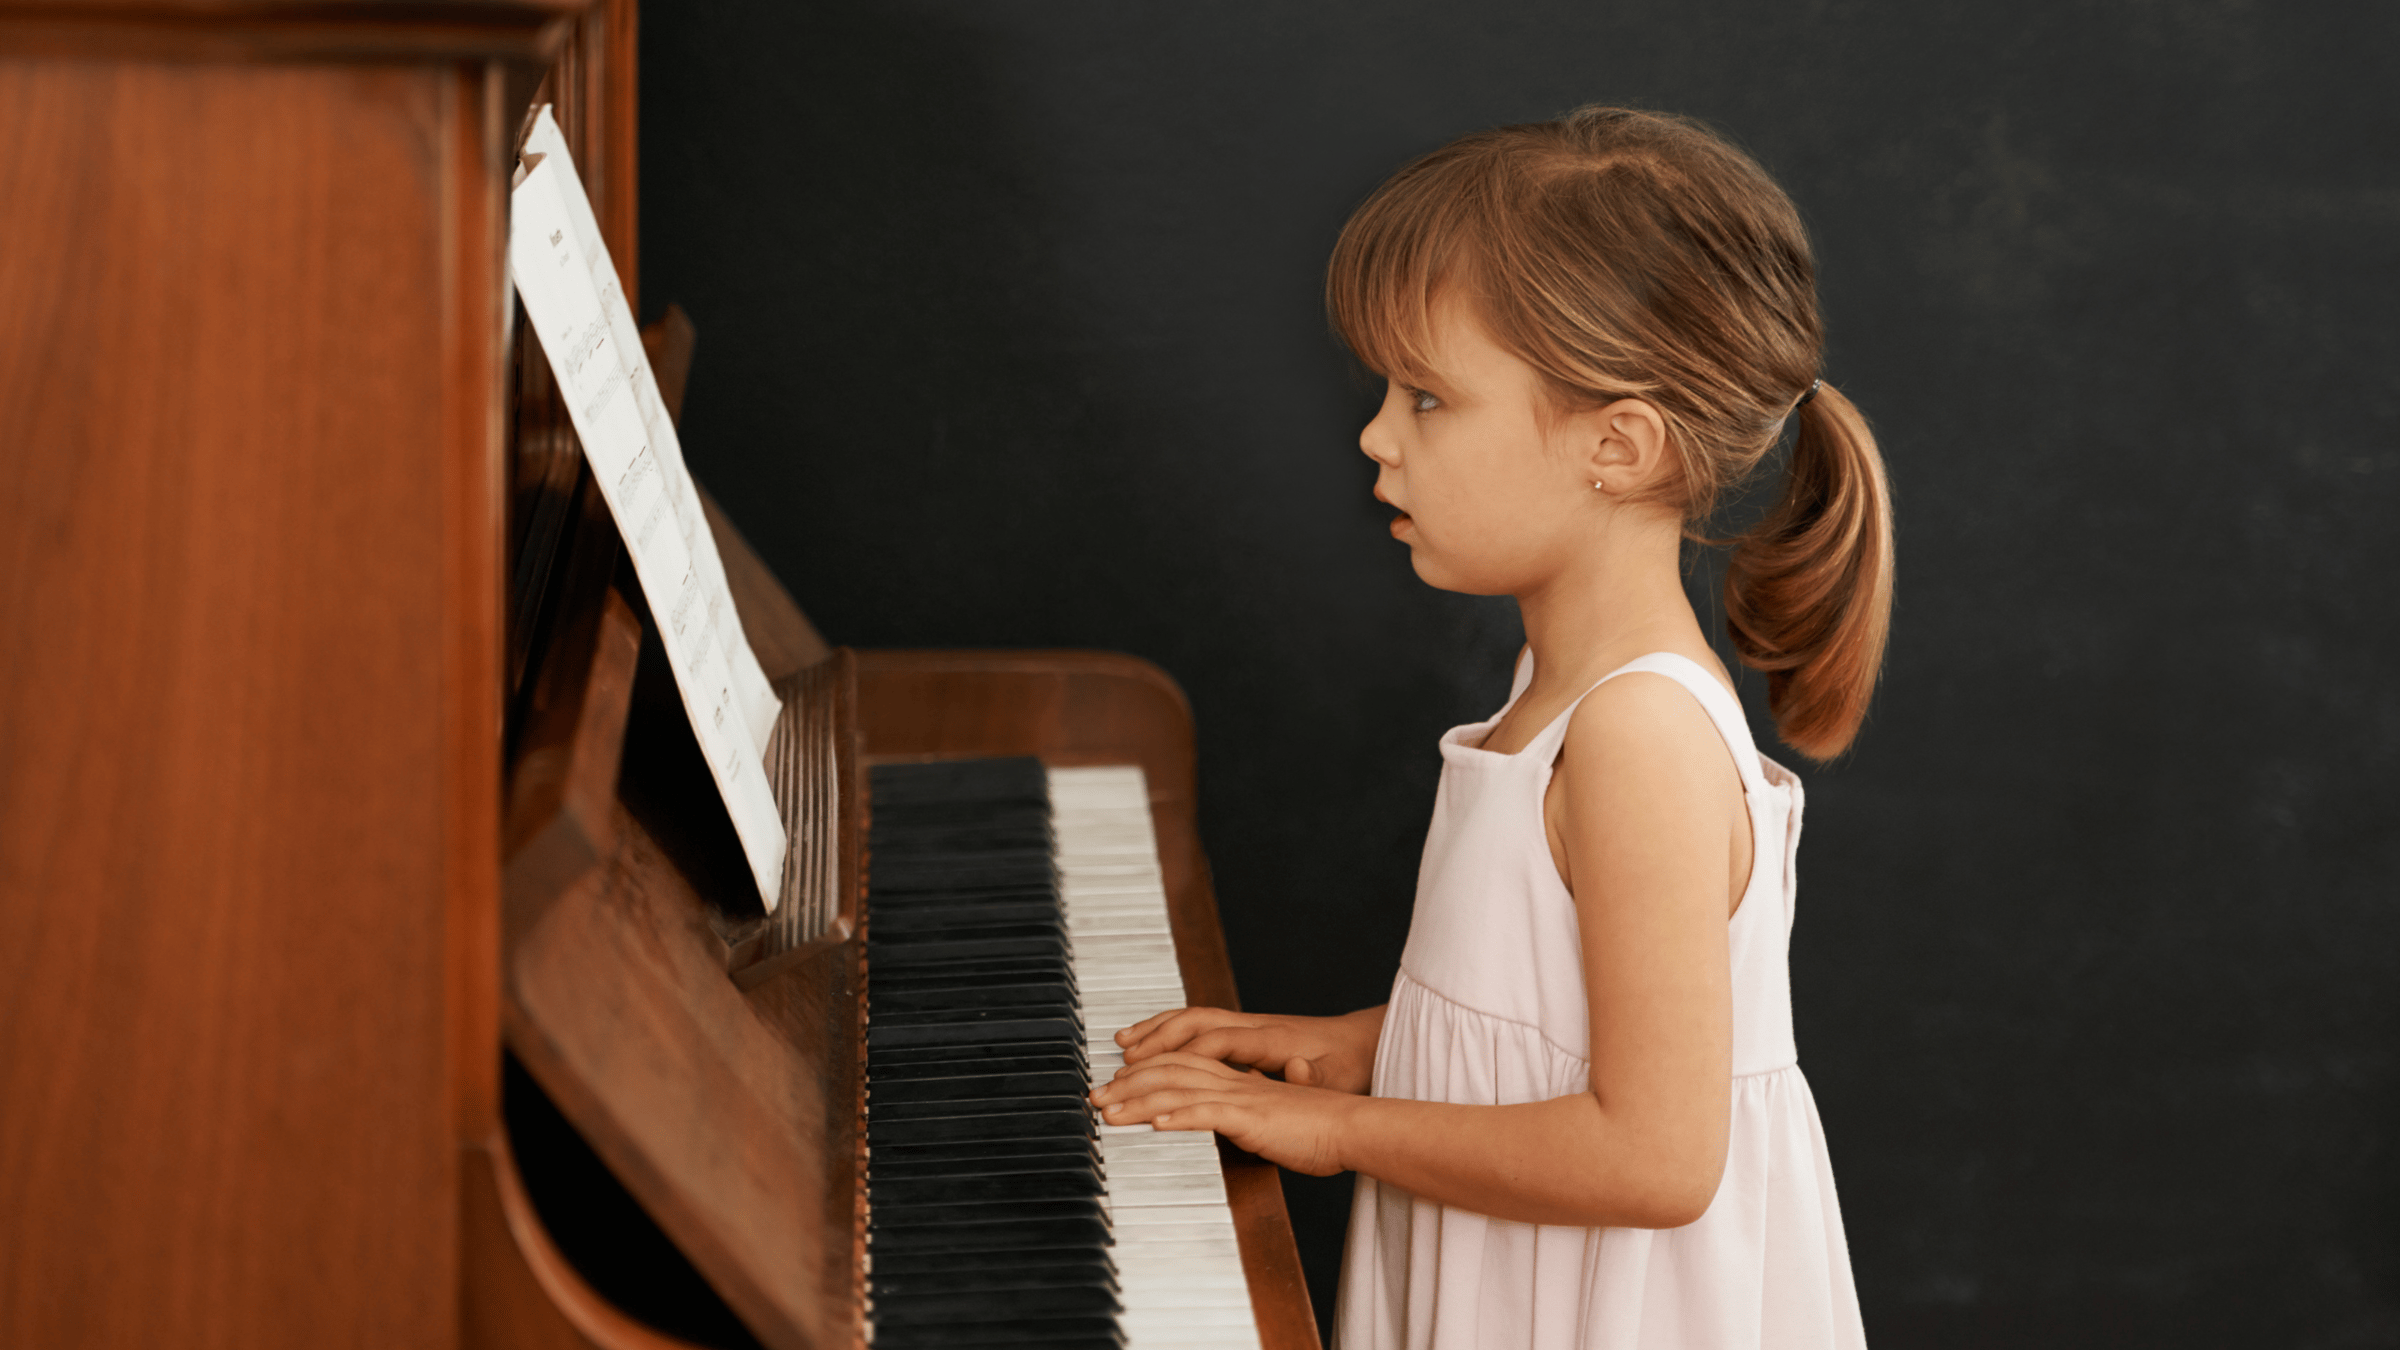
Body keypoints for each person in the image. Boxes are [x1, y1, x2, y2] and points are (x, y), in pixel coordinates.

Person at [1088, 105, 1887, 1348]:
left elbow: (1657, 1157)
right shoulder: (1555, 686)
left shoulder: (1637, 738)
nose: (1375, 435)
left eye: (1427, 398)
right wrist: (1356, 1049)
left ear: (1617, 445)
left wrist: (1334, 1131)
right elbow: (1548, 1027)